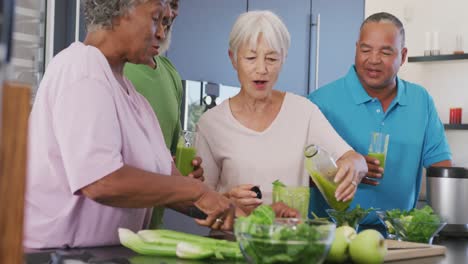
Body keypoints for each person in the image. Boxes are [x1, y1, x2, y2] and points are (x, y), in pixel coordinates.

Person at [24, 0, 235, 249]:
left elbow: (172, 182)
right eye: (156, 18)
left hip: (104, 254)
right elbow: (100, 180)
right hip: (57, 254)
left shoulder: (136, 101)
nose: (161, 32)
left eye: (166, 22)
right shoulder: (82, 67)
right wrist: (194, 191)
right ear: (120, 9)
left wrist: (244, 215)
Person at [195, 10, 368, 217]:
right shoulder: (211, 124)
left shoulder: (304, 112)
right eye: (250, 57)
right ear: (233, 58)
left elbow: (352, 158)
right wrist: (227, 203)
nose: (262, 69)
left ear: (284, 58)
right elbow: (199, 202)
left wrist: (353, 165)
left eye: (271, 58)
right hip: (231, 243)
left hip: (290, 242)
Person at [308, 12, 452, 226]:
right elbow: (295, 175)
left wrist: (445, 227)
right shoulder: (319, 102)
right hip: (332, 238)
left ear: (403, 56)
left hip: (400, 237)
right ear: (356, 49)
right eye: (365, 50)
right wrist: (343, 171)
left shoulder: (421, 101)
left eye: (385, 52)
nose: (373, 60)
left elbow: (442, 169)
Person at [123, 0, 186, 229]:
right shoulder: (98, 73)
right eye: (157, 14)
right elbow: (100, 178)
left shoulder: (169, 73)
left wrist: (188, 179)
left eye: (173, 5)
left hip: (151, 229)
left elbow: (167, 158)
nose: (167, 17)